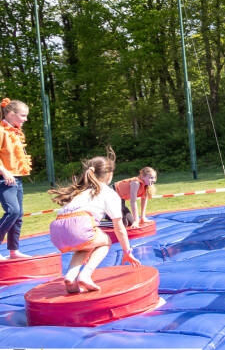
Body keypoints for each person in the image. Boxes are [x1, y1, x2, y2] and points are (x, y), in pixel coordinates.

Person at [48, 148, 141, 293]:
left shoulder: (80, 191)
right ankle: (85, 274)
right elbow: (119, 227)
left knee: (84, 246)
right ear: (109, 174)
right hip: (78, 227)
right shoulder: (108, 193)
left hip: (56, 232)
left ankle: (71, 275)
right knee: (106, 241)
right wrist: (127, 251)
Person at [0, 98, 32, 260]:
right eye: (23, 115)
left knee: (18, 214)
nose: (25, 119)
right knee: (12, 211)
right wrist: (4, 172)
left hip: (16, 176)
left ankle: (14, 251)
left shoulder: (15, 131)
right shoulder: (1, 130)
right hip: (4, 177)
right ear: (11, 114)